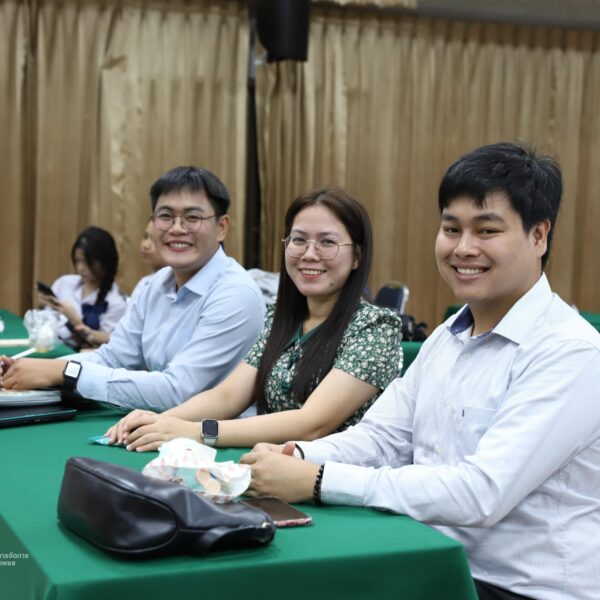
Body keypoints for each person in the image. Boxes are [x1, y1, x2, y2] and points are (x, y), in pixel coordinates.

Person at [240, 143, 600, 600]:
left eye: (487, 230)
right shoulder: (448, 336)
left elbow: (481, 492)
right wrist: (299, 455)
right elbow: (383, 438)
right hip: (430, 562)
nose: (463, 248)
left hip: (519, 589)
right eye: (451, 228)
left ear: (539, 236)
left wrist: (318, 480)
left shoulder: (569, 352)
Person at [105, 187, 402, 450]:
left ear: (357, 256)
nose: (310, 254)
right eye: (299, 240)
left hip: (334, 481)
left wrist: (196, 431)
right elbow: (227, 397)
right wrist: (158, 421)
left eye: (327, 242)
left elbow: (312, 424)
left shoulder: (375, 328)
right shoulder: (280, 320)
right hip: (269, 468)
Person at [0, 166, 265, 411]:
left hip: (215, 437)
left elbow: (178, 391)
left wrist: (66, 372)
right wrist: (33, 369)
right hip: (154, 425)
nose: (176, 228)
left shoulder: (235, 294)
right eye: (165, 216)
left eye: (192, 217)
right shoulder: (157, 284)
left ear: (221, 228)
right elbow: (113, 357)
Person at [38, 226, 128, 349]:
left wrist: (74, 319)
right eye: (77, 261)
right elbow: (45, 322)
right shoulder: (64, 283)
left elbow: (105, 347)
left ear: (106, 261)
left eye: (87, 262)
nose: (80, 268)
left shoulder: (117, 302)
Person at [129, 219, 166, 303]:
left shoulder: (175, 286)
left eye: (154, 240)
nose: (145, 245)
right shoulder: (144, 282)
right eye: (145, 237)